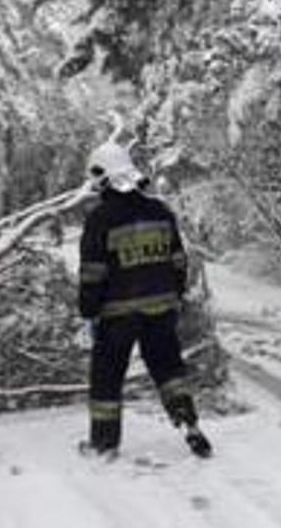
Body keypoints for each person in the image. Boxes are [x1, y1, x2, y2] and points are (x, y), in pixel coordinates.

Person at [78, 142, 213, 459]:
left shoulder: (101, 218)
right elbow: (179, 261)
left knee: (107, 376)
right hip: (161, 309)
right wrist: (173, 295)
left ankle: (104, 444)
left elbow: (93, 273)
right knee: (168, 368)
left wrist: (89, 310)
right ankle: (189, 423)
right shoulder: (159, 211)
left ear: (103, 177)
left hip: (117, 315)